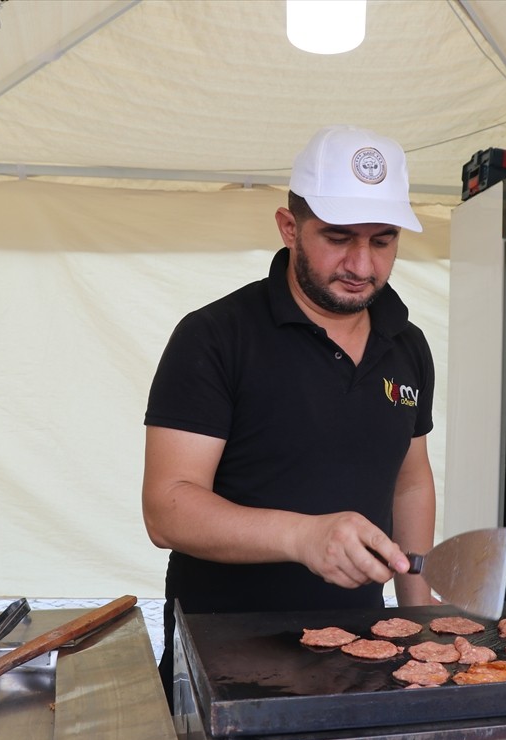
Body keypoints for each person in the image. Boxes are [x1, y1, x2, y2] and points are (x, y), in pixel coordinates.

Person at [142, 125, 436, 700]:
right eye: (337, 237)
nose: (361, 263)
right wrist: (303, 537)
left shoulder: (408, 344)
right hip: (226, 660)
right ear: (288, 227)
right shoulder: (215, 337)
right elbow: (167, 507)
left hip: (363, 655)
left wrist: (419, 616)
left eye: (382, 240)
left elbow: (411, 480)